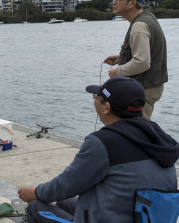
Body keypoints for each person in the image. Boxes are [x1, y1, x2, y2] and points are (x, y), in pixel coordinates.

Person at [18, 76, 179, 223]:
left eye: (97, 97)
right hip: (141, 215)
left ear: (106, 107)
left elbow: (64, 185)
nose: (94, 100)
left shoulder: (103, 142)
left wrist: (36, 192)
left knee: (36, 206)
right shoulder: (158, 137)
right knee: (64, 202)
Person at [103, 0, 167, 119]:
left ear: (132, 3)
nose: (114, 2)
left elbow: (142, 62)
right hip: (151, 86)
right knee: (137, 128)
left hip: (144, 89)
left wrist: (117, 72)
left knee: (136, 130)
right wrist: (121, 58)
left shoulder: (138, 26)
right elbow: (148, 51)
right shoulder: (148, 18)